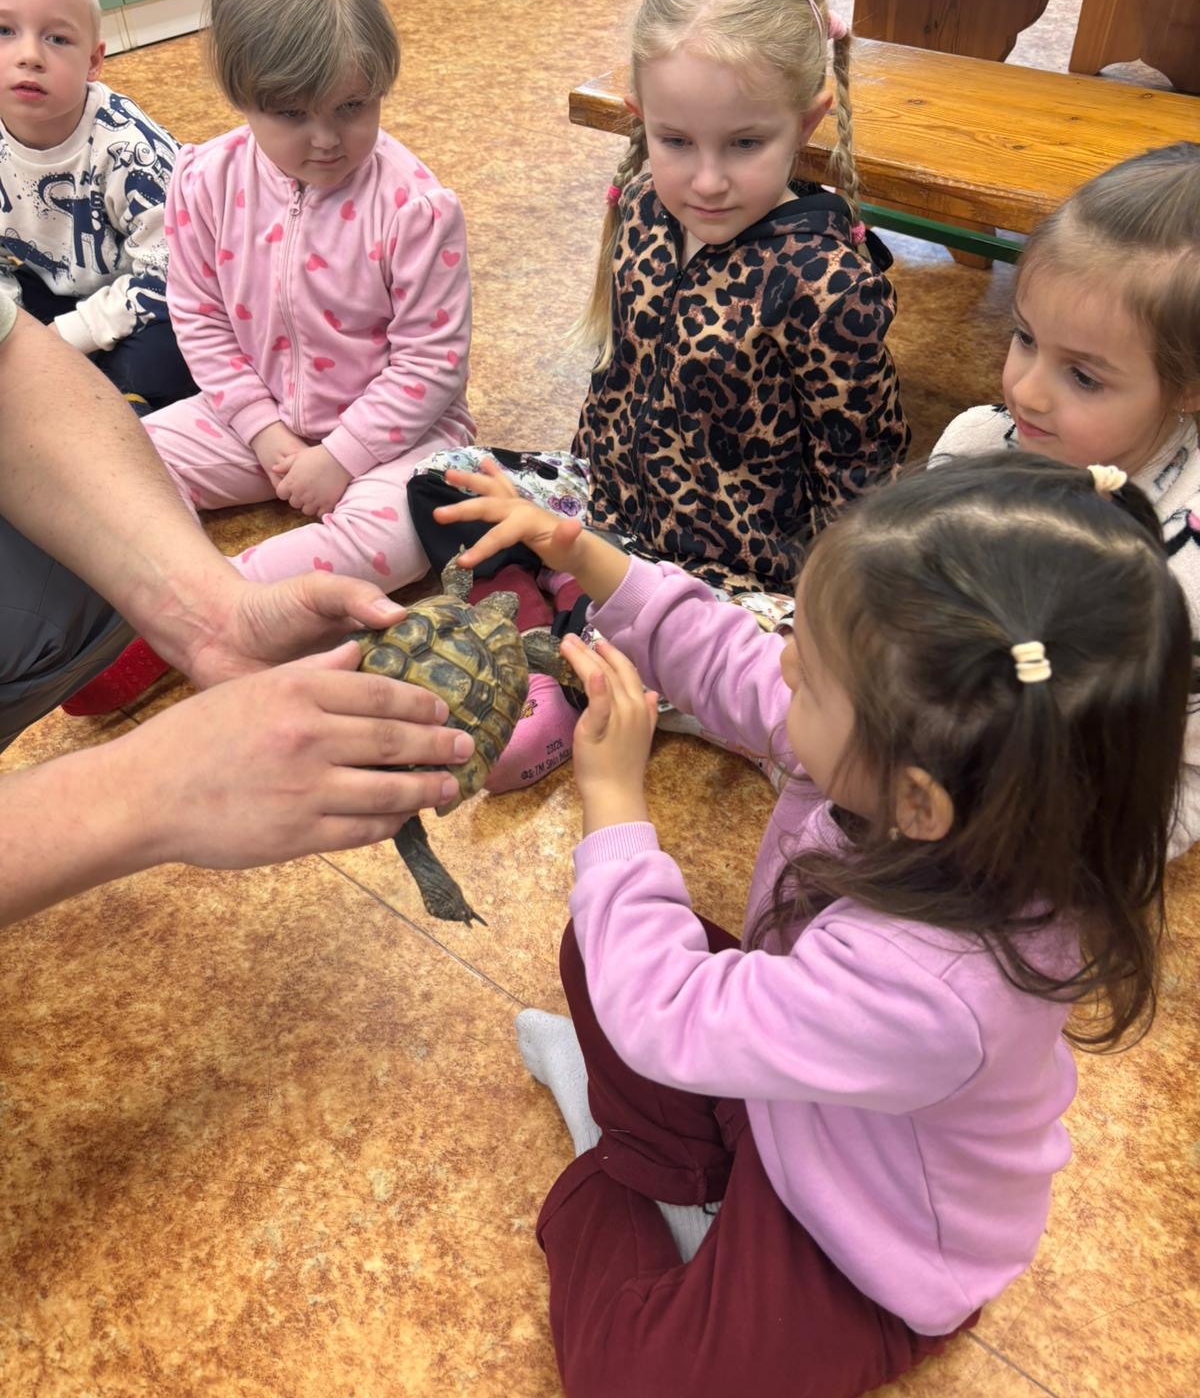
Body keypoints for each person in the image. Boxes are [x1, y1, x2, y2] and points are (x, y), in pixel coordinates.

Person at [430, 451, 1187, 1398]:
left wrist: (616, 800)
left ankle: (622, 1177)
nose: (781, 659)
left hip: (863, 1247)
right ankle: (682, 1176)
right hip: (801, 1108)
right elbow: (730, 654)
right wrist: (584, 557)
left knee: (629, 1376)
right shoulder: (921, 764)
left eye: (814, 673)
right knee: (602, 943)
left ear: (917, 803)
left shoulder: (941, 991)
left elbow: (668, 1015)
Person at [410, 0, 909, 792]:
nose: (706, 180)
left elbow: (861, 477)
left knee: (799, 677)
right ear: (640, 114)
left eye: (744, 144)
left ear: (808, 119)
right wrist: (569, 509)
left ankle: (592, 655)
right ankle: (561, 633)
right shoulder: (643, 207)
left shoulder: (826, 281)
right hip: (607, 510)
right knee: (441, 482)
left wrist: (832, 628)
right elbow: (613, 382)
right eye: (675, 140)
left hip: (730, 575)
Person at [72, 0, 476, 714]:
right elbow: (200, 319)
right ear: (240, 93)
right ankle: (172, 602)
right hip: (253, 422)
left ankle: (205, 615)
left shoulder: (417, 208)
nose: (326, 139)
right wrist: (265, 434)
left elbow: (431, 366)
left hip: (400, 440)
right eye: (290, 113)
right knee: (118, 459)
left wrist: (342, 458)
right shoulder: (204, 180)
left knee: (402, 530)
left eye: (352, 107)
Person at [0, 293, 474, 931]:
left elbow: (12, 356)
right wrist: (146, 785)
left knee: (103, 499)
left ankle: (182, 619)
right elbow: (201, 325)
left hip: (387, 444)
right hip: (262, 419)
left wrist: (210, 614)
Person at [930, 143, 1200, 855]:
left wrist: (1065, 844)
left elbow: (1181, 780)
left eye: (1083, 377)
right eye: (1024, 337)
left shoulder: (1184, 582)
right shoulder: (976, 445)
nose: (1025, 390)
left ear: (1188, 388)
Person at [0, 0, 196, 414]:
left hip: (147, 298)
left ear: (93, 61)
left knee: (169, 357)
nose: (28, 56)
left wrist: (64, 339)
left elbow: (173, 270)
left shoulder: (129, 149)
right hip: (53, 292)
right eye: (4, 31)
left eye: (57, 38)